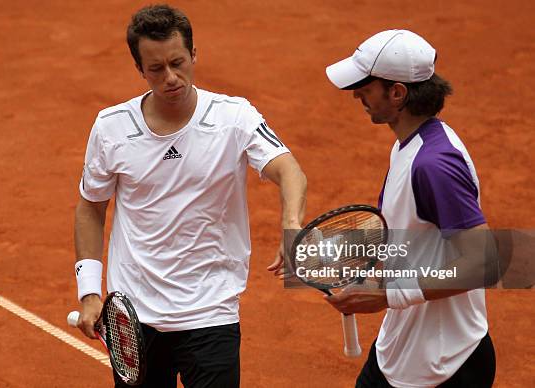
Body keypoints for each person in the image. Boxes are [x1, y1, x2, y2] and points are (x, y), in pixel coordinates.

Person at [73, 4, 306, 388]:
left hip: (211, 311)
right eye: (156, 69)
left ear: (195, 54)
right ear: (139, 70)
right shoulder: (111, 127)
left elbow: (289, 169)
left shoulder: (235, 117)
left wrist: (291, 223)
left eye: (178, 62)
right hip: (134, 315)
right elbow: (91, 208)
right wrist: (88, 293)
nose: (171, 78)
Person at [323, 30, 498, 387]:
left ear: (397, 93)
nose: (357, 94)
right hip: (403, 350)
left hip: (442, 365)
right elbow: (421, 236)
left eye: (365, 87)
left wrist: (388, 293)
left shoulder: (433, 164)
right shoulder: (412, 143)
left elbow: (483, 262)